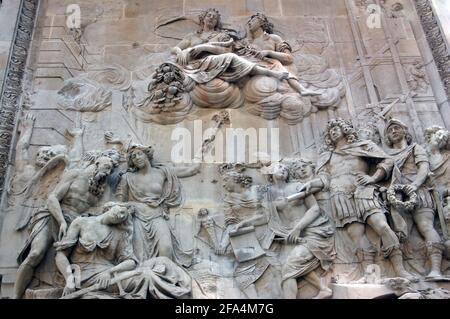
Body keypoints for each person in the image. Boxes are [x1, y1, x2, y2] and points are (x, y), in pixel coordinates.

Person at [300, 119, 414, 279]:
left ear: (345, 129)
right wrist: (312, 183)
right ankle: (369, 274)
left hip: (363, 190)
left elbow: (387, 161)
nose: (333, 131)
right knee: (356, 235)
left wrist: (373, 178)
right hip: (339, 193)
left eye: (336, 128)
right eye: (330, 130)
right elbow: (324, 178)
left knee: (382, 226)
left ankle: (400, 269)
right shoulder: (327, 156)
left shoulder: (363, 146)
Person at [14, 153, 118, 298]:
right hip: (52, 216)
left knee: (68, 258)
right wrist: (61, 221)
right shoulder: (75, 174)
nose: (108, 172)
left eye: (110, 170)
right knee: (36, 253)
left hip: (74, 224)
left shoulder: (99, 188)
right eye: (106, 167)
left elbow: (99, 212)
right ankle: (16, 296)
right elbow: (52, 198)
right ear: (97, 163)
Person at [55, 202, 192, 299]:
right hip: (86, 276)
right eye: (121, 211)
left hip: (109, 276)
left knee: (162, 261)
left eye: (124, 216)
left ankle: (187, 288)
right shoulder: (81, 222)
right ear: (110, 206)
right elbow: (61, 255)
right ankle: (182, 297)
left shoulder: (119, 234)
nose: (121, 216)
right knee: (146, 276)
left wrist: (110, 271)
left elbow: (131, 261)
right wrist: (70, 281)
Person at [116, 144, 200, 266]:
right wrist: (132, 205)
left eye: (139, 154)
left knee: (166, 249)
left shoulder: (162, 171)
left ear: (147, 155)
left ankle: (163, 275)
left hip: (156, 215)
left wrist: (202, 150)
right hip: (137, 218)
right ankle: (146, 279)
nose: (137, 158)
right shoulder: (127, 177)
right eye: (133, 156)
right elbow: (119, 203)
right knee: (140, 256)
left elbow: (191, 170)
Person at [385, 119, 444, 280]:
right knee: (400, 233)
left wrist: (415, 185)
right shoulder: (387, 155)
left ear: (405, 131)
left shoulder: (415, 148)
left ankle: (436, 270)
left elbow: (424, 168)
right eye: (390, 130)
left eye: (397, 128)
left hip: (419, 192)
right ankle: (406, 270)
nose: (393, 131)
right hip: (396, 197)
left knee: (426, 226)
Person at [171, 8, 290, 85]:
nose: (211, 18)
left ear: (217, 23)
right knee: (231, 57)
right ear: (203, 19)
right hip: (193, 64)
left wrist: (204, 47)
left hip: (212, 62)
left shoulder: (221, 35)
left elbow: (226, 49)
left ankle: (270, 73)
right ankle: (271, 73)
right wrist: (180, 52)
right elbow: (175, 48)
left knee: (231, 56)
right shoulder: (192, 36)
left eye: (214, 18)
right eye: (209, 16)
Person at [277, 159, 335, 299]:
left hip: (314, 231)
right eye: (298, 167)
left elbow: (315, 209)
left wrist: (297, 228)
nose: (282, 170)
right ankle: (323, 288)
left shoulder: (298, 186)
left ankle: (323, 289)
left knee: (289, 268)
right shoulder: (269, 194)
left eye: (284, 168)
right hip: (293, 235)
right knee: (295, 265)